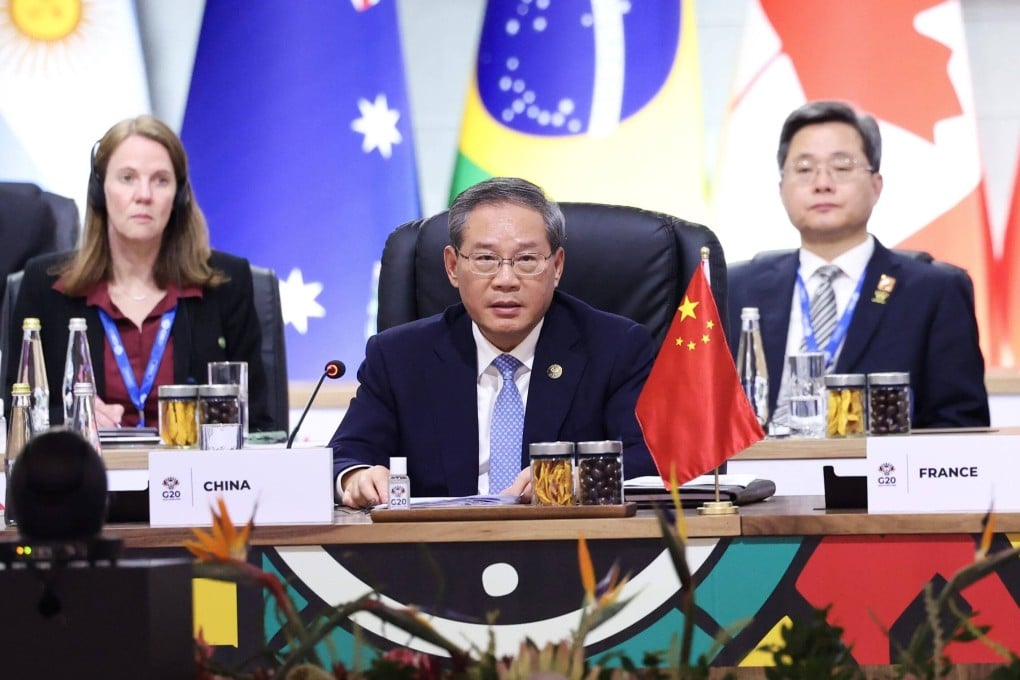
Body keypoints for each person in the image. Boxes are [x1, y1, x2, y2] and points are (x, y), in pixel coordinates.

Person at [330, 177, 658, 508]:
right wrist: (356, 477)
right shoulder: (399, 357)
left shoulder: (616, 349)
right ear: (452, 266)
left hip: (568, 537)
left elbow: (655, 458)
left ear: (556, 266)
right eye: (486, 259)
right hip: (437, 538)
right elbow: (344, 456)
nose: (506, 280)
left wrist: (576, 478)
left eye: (526, 260)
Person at [726, 100, 989, 429]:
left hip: (878, 462)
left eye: (842, 167)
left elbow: (960, 425)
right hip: (758, 461)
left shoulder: (934, 292)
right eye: (804, 169)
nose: (822, 183)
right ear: (781, 189)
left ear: (876, 186)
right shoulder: (734, 289)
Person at [4, 115, 270, 431]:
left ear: (179, 195)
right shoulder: (46, 285)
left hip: (192, 462)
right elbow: (14, 410)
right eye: (128, 178)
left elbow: (259, 421)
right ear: (100, 191)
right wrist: (70, 418)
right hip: (89, 462)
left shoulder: (227, 283)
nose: (144, 194)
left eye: (160, 180)